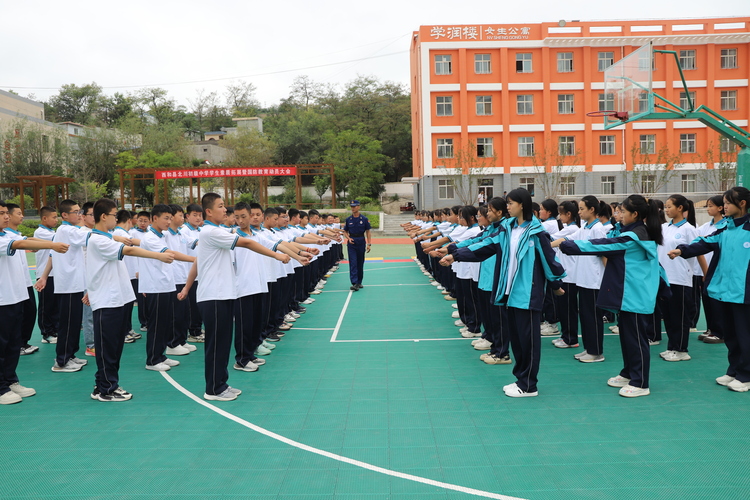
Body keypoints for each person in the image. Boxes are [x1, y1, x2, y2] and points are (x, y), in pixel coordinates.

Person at [556, 195, 665, 398]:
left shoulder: (634, 237)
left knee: (636, 338)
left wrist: (566, 245)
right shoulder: (632, 232)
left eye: (622, 211)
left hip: (635, 294)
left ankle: (641, 381)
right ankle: (628, 372)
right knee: (627, 336)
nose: (618, 214)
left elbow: (600, 246)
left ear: (635, 214)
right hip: (628, 294)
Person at [188, 193, 291, 402]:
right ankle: (213, 389)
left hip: (223, 294)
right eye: (221, 206)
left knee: (223, 343)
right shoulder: (210, 232)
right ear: (209, 211)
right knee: (216, 344)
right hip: (214, 296)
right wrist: (277, 255)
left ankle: (221, 384)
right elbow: (247, 244)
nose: (225, 209)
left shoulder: (217, 231)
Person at [85, 199, 176, 401]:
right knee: (108, 347)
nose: (116, 219)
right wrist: (157, 256)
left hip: (118, 299)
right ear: (103, 217)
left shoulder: (108, 237)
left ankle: (105, 383)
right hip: (107, 301)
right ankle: (106, 388)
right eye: (113, 215)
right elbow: (130, 250)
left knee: (115, 347)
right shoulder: (97, 240)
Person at [668, 187, 750, 393]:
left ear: (742, 204)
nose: (725, 207)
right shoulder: (725, 230)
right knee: (730, 335)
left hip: (744, 293)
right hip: (724, 291)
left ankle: (746, 375)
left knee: (745, 335)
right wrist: (682, 250)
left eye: (728, 203)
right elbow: (703, 243)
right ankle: (734, 370)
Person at [0, 200, 70, 405]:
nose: (6, 216)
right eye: (2, 213)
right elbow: (21, 244)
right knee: (2, 344)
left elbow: (23, 238)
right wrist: (52, 244)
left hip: (15, 296)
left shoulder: (7, 234)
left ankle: (10, 380)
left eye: (6, 212)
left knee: (13, 343)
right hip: (3, 299)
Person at [657, 195, 704, 362]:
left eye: (670, 206)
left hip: (680, 278)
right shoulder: (663, 227)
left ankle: (681, 349)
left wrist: (705, 273)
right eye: (665, 206)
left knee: (680, 316)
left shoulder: (689, 229)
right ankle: (672, 346)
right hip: (665, 278)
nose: (666, 209)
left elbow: (698, 250)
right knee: (668, 315)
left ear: (680, 209)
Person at [4, 204, 39, 356]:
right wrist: (53, 245)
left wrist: (48, 244)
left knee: (28, 313)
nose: (22, 215)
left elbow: (26, 240)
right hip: (10, 289)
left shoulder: (12, 234)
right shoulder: (8, 237)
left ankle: (22, 343)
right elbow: (22, 243)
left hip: (23, 283)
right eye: (18, 213)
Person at [34, 206, 60, 345]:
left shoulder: (51, 231)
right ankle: (46, 333)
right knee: (46, 305)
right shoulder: (41, 232)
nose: (56, 220)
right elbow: (60, 239)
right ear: (44, 218)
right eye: (54, 217)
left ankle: (54, 329)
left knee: (55, 305)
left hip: (54, 273)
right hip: (44, 275)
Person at [343, 200, 372, 291]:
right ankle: (354, 282)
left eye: (354, 206)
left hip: (361, 241)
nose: (353, 208)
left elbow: (368, 232)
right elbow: (345, 231)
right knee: (353, 262)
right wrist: (348, 238)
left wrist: (369, 244)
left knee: (360, 262)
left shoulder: (364, 219)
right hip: (352, 242)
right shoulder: (348, 219)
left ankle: (359, 282)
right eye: (351, 206)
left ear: (358, 207)